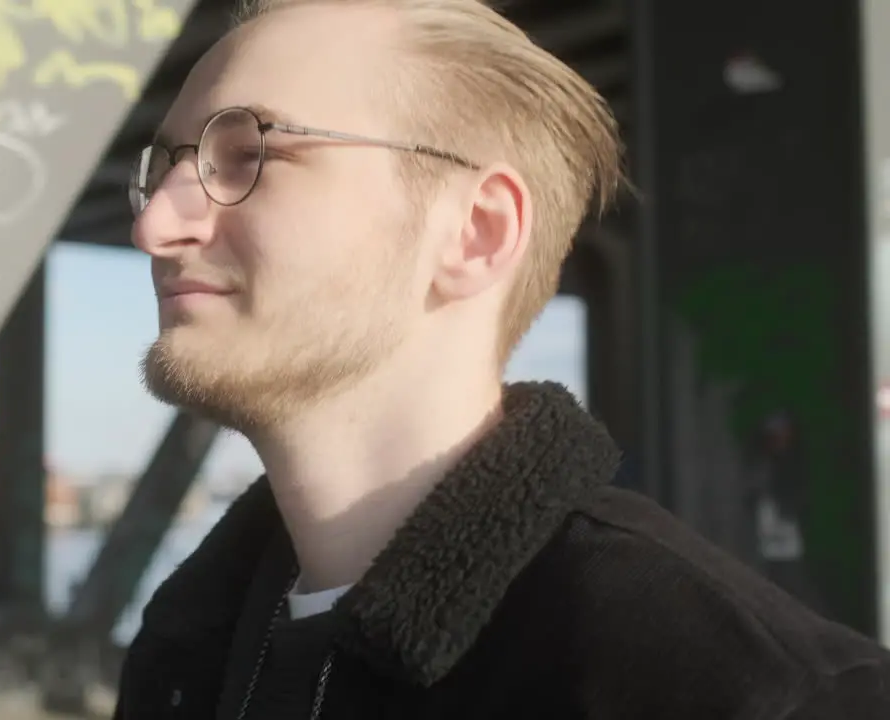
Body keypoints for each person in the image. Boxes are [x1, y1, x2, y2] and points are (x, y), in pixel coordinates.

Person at [115, 0, 890, 717]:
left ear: (475, 232)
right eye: (164, 167)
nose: (155, 225)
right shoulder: (189, 650)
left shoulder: (744, 693)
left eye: (248, 152)